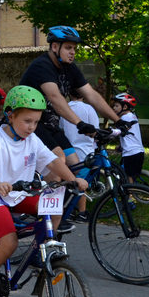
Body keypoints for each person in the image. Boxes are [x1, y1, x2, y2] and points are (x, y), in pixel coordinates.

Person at [0, 86, 88, 297]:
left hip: (18, 194)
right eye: (27, 121)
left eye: (36, 121)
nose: (32, 127)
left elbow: (52, 162)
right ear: (10, 116)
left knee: (54, 208)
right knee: (8, 243)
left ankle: (41, 250)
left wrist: (74, 180)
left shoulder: (32, 140)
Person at [19, 27, 123, 164]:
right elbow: (55, 97)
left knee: (76, 165)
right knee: (59, 163)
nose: (73, 52)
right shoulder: (42, 66)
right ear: (55, 47)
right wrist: (80, 124)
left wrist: (118, 120)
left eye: (74, 48)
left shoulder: (69, 68)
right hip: (32, 125)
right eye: (68, 48)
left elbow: (91, 94)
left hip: (52, 127)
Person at [59, 88, 101, 227]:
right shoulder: (90, 109)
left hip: (69, 149)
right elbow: (95, 129)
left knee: (69, 182)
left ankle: (70, 210)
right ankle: (82, 212)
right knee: (81, 181)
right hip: (87, 150)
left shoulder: (64, 108)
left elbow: (60, 129)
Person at [111, 92, 144, 183]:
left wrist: (109, 133)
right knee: (125, 171)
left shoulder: (125, 118)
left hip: (131, 153)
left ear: (124, 107)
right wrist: (121, 147)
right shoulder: (132, 116)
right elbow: (129, 135)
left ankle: (129, 194)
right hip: (138, 151)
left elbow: (118, 132)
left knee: (127, 175)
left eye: (116, 106)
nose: (114, 108)